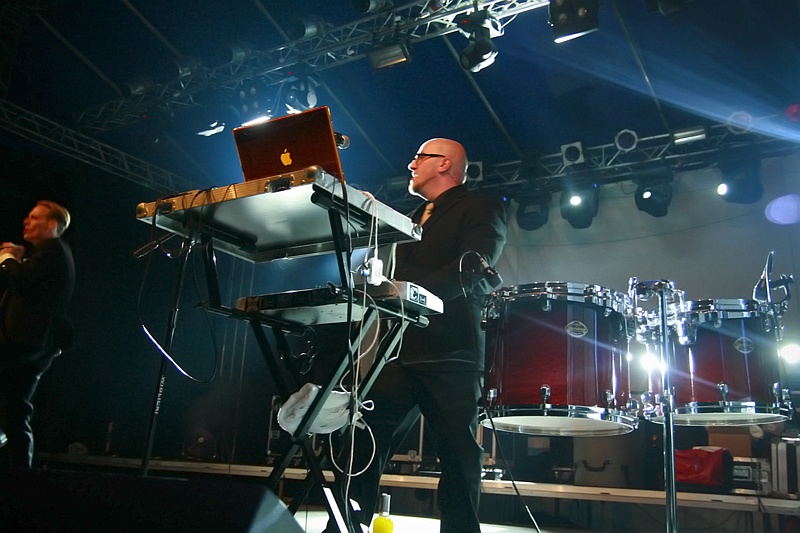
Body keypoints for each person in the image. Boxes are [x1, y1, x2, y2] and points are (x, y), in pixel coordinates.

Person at [328, 138, 507, 532]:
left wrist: (412, 298)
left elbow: (475, 265)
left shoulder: (481, 205)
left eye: (419, 157)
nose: (410, 163)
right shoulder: (409, 215)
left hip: (450, 351)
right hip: (400, 351)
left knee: (458, 452)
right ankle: (345, 525)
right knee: (364, 440)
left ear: (444, 163)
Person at [0, 200, 75, 470]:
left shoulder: (53, 250)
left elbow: (23, 282)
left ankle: (21, 475)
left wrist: (8, 259)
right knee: (14, 408)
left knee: (16, 410)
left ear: (52, 224)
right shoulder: (48, 253)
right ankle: (20, 472)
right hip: (28, 344)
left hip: (26, 344)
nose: (26, 221)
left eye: (34, 218)